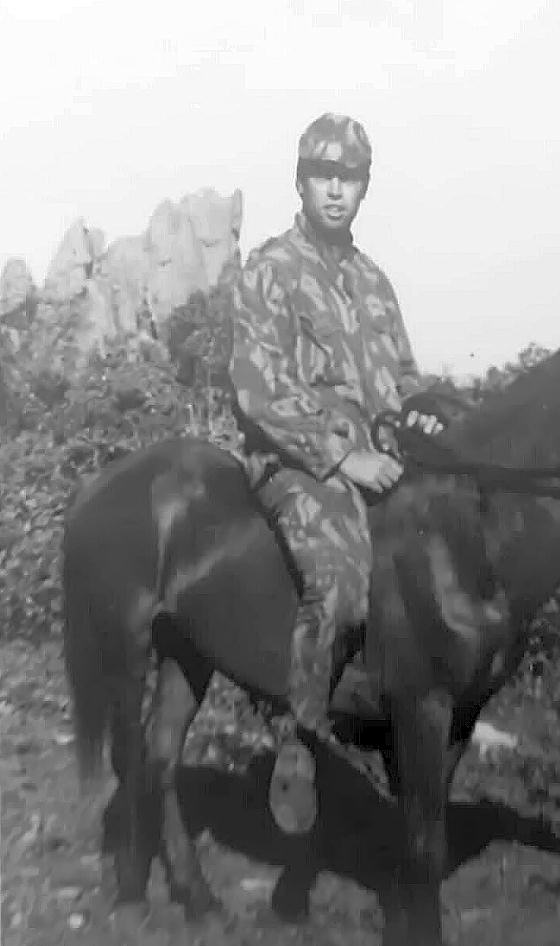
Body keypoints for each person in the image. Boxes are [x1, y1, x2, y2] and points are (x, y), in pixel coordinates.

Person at [229, 113, 442, 833]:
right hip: (297, 463)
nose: (334, 191)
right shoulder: (271, 270)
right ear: (300, 182)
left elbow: (403, 378)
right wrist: (344, 456)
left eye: (348, 178)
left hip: (381, 461)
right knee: (345, 586)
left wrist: (424, 411)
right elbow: (258, 389)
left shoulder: (373, 282)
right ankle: (299, 740)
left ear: (363, 188)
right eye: (322, 175)